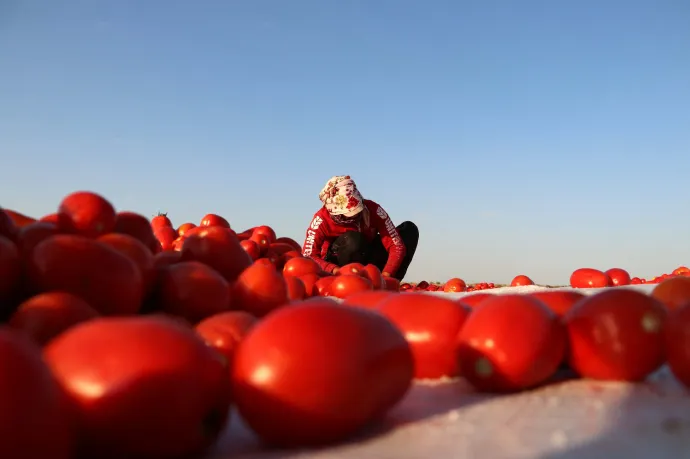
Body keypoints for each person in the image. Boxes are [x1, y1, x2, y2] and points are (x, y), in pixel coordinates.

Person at [301, 175, 419, 281]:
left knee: (409, 230)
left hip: (367, 257)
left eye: (357, 210)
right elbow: (308, 255)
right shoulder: (321, 219)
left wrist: (387, 275)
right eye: (347, 213)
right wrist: (334, 270)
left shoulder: (374, 210)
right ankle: (350, 280)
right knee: (354, 239)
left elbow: (396, 245)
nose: (354, 215)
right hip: (339, 265)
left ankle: (391, 282)